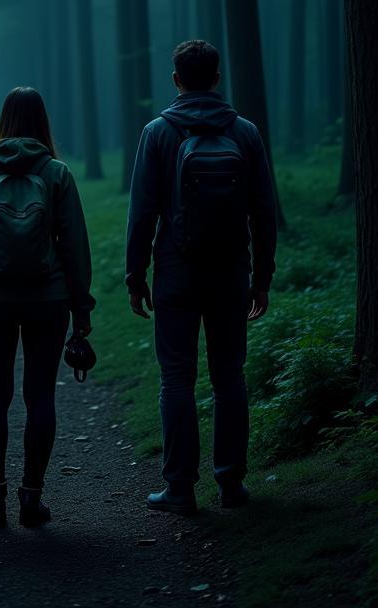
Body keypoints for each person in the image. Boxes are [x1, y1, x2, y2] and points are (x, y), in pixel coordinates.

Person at [126, 40, 276, 515]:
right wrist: (262, 277)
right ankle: (231, 483)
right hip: (232, 271)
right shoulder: (246, 133)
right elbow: (264, 213)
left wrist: (135, 274)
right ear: (217, 77)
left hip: (176, 271)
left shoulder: (157, 133)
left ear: (176, 79)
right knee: (230, 376)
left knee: (177, 380)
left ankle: (180, 488)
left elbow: (142, 212)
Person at [0, 86, 95, 528]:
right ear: (42, 121)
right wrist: (81, 308)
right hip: (48, 300)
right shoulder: (57, 174)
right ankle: (32, 499)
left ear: (3, 119)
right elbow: (74, 248)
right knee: (40, 396)